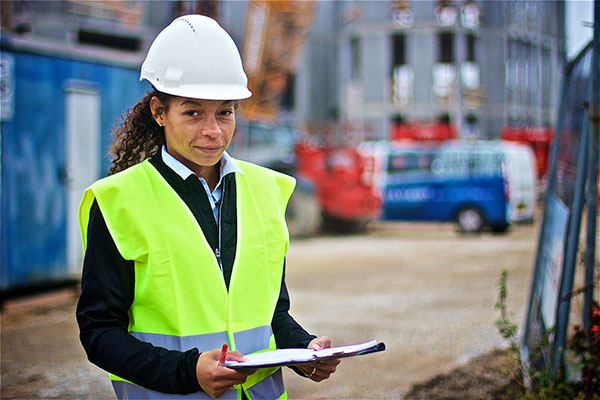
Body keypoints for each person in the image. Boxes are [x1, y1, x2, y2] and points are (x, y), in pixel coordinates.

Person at [76, 14, 340, 400]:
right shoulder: (119, 202)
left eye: (225, 112)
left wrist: (304, 349)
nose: (213, 131)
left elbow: (272, 314)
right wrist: (187, 372)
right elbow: (100, 332)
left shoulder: (267, 191)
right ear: (158, 111)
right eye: (193, 112)